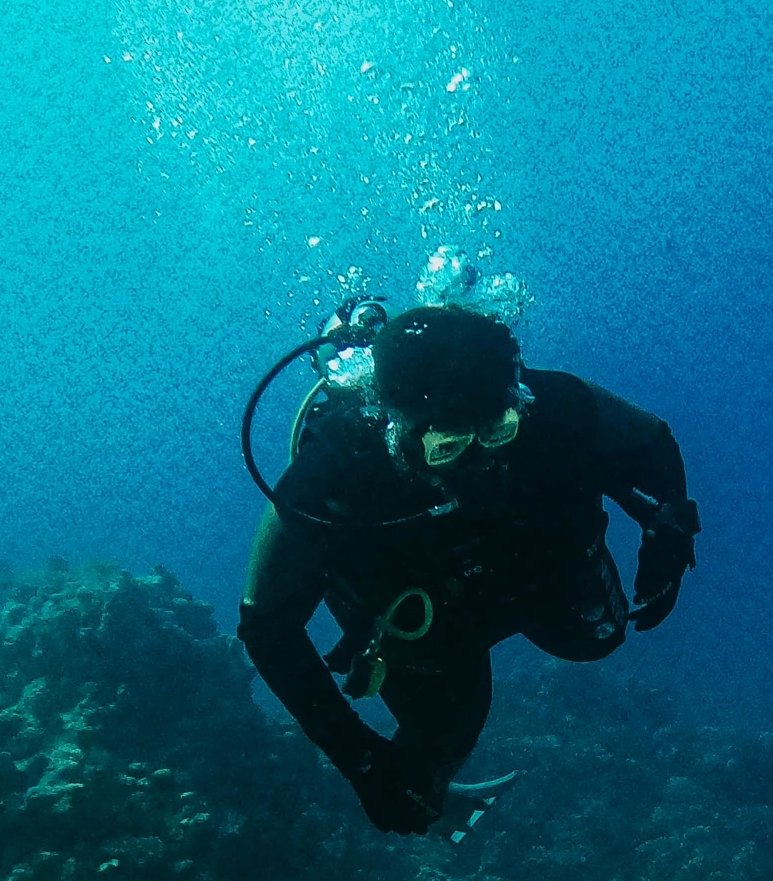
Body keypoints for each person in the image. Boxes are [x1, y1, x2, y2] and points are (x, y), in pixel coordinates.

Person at [238, 303, 699, 834]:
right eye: (448, 447)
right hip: (424, 615)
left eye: (499, 431)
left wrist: (669, 529)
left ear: (515, 400)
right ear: (396, 425)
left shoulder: (552, 403)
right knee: (439, 743)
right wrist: (361, 759)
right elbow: (266, 625)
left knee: (596, 638)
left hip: (536, 565)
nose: (481, 464)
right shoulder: (332, 472)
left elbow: (652, 439)